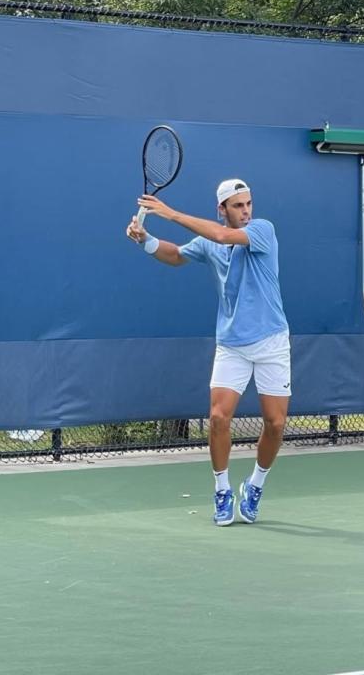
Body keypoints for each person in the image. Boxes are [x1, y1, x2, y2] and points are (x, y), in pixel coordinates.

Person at [126, 178, 290, 526]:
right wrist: (146, 241)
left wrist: (169, 214)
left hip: (272, 341)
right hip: (231, 345)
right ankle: (222, 490)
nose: (246, 211)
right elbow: (176, 255)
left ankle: (256, 484)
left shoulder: (262, 230)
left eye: (248, 204)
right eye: (237, 206)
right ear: (222, 209)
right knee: (218, 417)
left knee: (275, 423)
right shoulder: (208, 241)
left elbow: (222, 236)